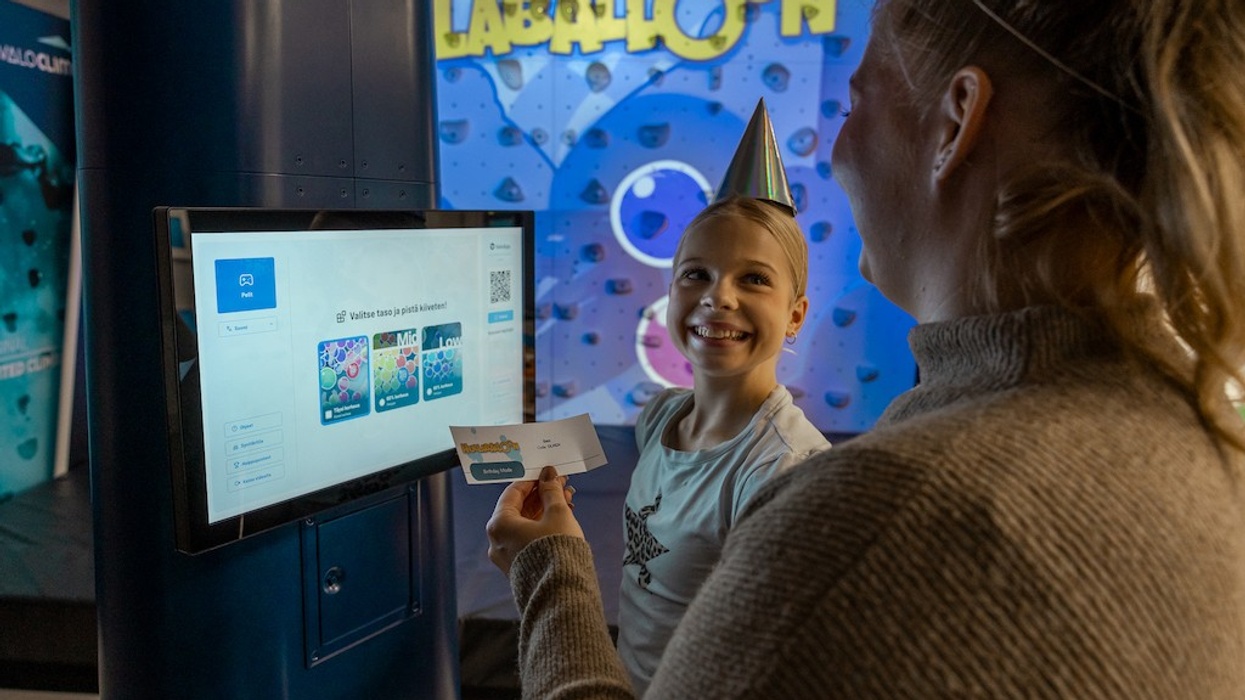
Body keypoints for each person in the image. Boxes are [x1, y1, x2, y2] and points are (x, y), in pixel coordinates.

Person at [485, 0, 1245, 696]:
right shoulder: (1197, 427)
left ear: (955, 123)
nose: (839, 148)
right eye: (696, 274)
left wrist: (547, 566)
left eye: (854, 103)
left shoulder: (873, 519)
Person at [617, 190, 830, 694]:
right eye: (696, 275)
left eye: (753, 279)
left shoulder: (785, 469)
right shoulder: (660, 417)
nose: (719, 297)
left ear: (795, 315)